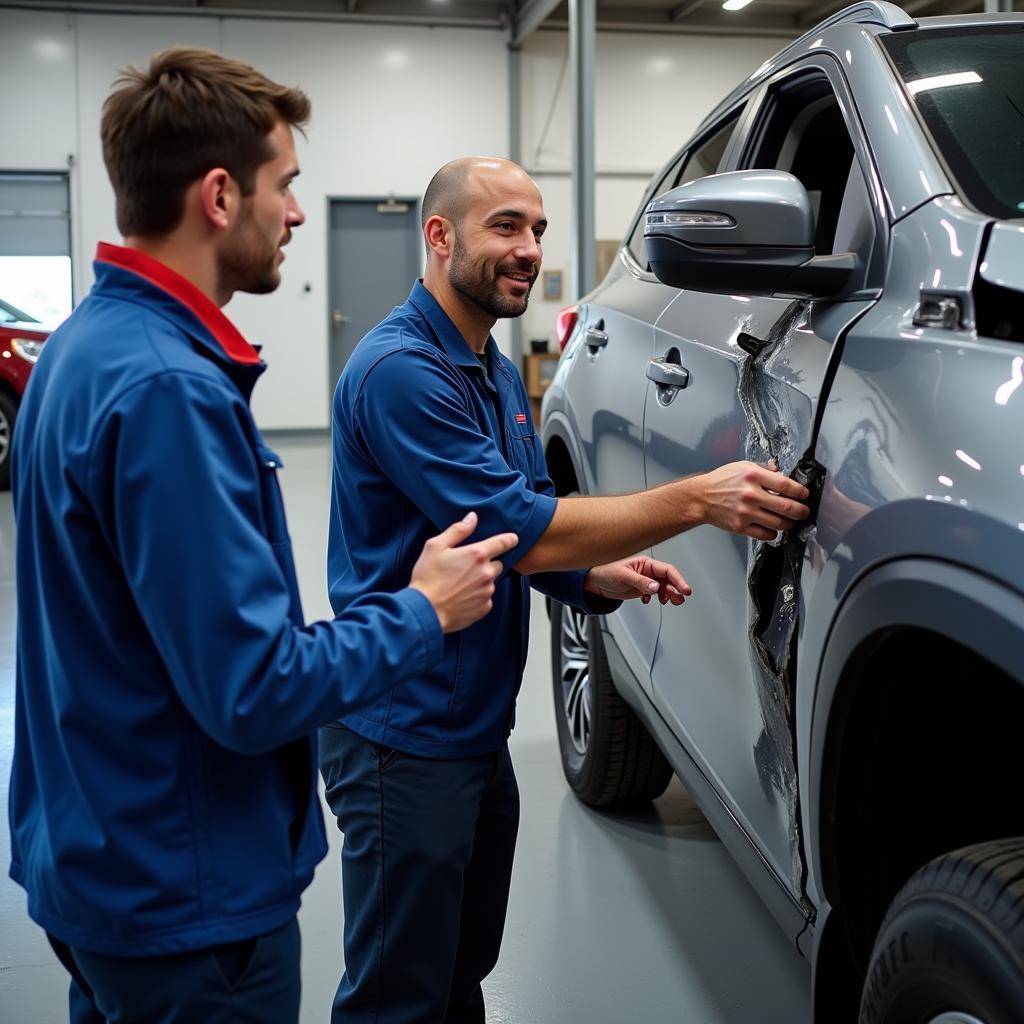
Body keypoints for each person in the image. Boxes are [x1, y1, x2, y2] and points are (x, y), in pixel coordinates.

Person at [8, 55, 518, 1024]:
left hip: (96, 852)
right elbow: (253, 687)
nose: (292, 213)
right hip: (184, 890)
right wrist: (421, 610)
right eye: (283, 186)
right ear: (216, 195)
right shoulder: (170, 390)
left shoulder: (81, 349)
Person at [322, 155, 810, 1024]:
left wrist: (590, 574)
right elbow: (525, 521)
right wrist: (697, 497)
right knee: (398, 996)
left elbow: (513, 535)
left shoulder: (496, 370)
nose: (530, 249)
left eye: (537, 229)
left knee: (462, 970)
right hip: (405, 737)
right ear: (439, 237)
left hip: (471, 725)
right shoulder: (402, 372)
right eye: (505, 226)